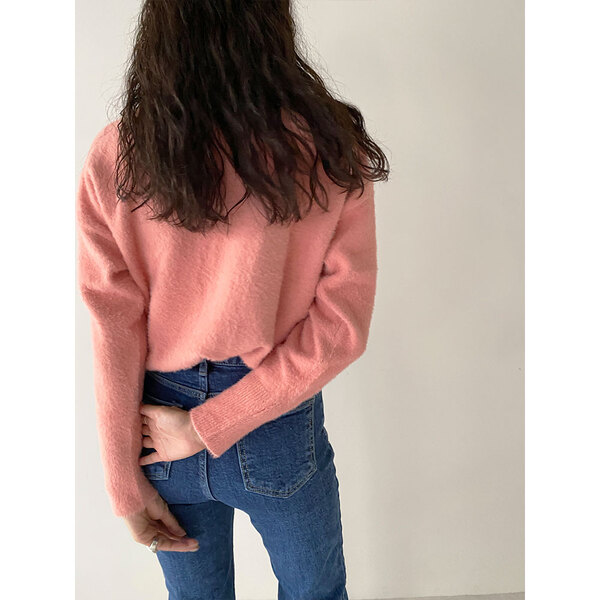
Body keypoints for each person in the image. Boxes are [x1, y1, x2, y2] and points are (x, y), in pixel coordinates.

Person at [76, 1, 389, 598]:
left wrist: (123, 478)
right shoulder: (326, 147)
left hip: (158, 426)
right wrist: (211, 425)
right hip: (272, 414)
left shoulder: (119, 153)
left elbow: (112, 322)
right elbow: (341, 327)